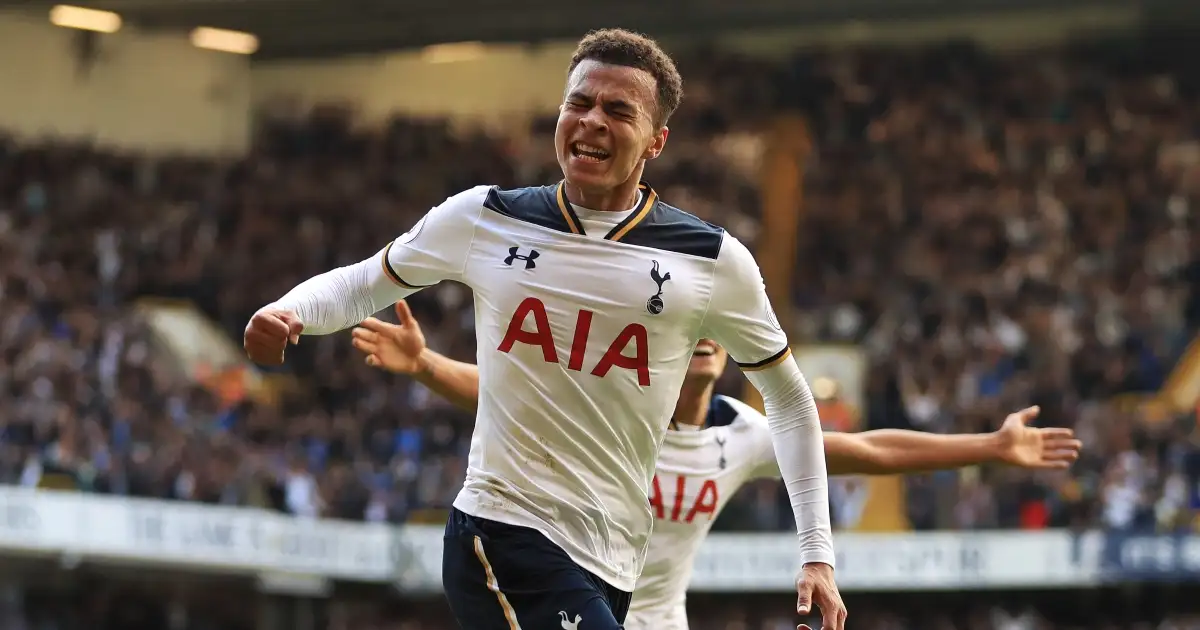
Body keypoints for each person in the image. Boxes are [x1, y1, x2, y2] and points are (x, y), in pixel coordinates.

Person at [244, 28, 845, 630]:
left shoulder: (710, 260)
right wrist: (290, 311)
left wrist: (817, 553)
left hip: (611, 560)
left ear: (656, 141)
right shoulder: (486, 217)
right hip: (502, 530)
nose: (592, 120)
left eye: (618, 111)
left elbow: (789, 399)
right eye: (578, 103)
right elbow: (363, 283)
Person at [351, 301, 1082, 630]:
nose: (701, 338)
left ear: (730, 351)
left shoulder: (747, 435)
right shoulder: (610, 401)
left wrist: (989, 446)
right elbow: (503, 391)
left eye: (713, 331)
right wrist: (425, 365)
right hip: (567, 605)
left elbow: (870, 449)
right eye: (686, 328)